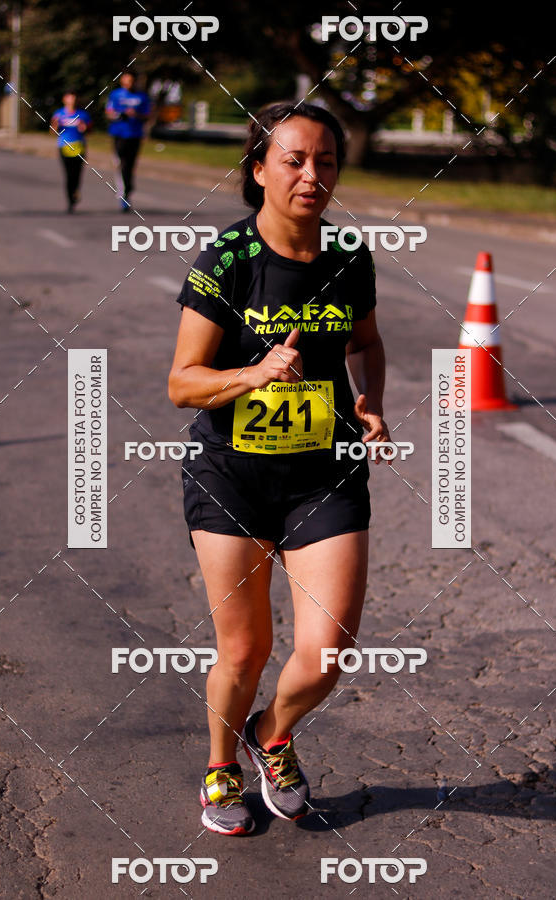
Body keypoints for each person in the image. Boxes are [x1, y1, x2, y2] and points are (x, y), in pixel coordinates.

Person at [168, 101, 389, 836]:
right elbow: (182, 382)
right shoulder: (229, 261)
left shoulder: (350, 256)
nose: (311, 175)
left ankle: (271, 733)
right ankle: (220, 766)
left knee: (327, 652)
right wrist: (253, 375)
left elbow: (366, 341)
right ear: (258, 169)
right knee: (246, 647)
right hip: (231, 473)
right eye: (293, 159)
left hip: (323, 472)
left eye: (325, 161)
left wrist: (370, 403)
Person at [105, 70, 150, 211]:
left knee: (130, 165)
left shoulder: (142, 96)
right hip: (118, 133)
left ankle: (127, 189)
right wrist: (119, 115)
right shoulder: (115, 95)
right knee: (120, 163)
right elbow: (109, 113)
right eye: (125, 80)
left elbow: (147, 115)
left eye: (130, 81)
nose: (128, 84)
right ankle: (123, 192)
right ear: (122, 81)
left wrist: (136, 114)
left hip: (135, 134)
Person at [50, 91, 92, 213]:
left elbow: (90, 130)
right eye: (69, 98)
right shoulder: (59, 114)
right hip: (64, 147)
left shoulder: (82, 115)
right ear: (65, 99)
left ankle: (75, 192)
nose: (72, 100)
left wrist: (84, 128)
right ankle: (70, 201)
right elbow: (52, 131)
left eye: (74, 98)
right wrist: (56, 125)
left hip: (79, 147)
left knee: (77, 174)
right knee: (68, 175)